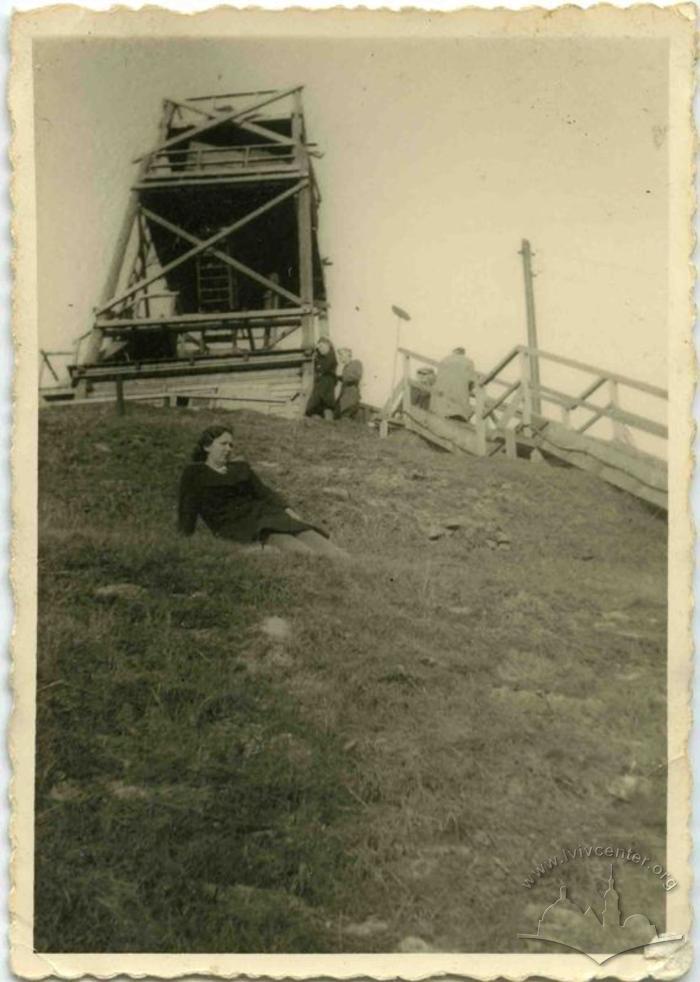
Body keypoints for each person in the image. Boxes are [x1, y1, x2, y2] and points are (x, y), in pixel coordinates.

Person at [178, 425, 348, 556]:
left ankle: (352, 565)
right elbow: (187, 508)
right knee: (305, 554)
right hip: (239, 525)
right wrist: (185, 539)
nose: (229, 449)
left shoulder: (240, 468)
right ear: (207, 446)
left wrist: (287, 509)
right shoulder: (195, 473)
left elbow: (263, 492)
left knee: (330, 550)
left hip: (267, 514)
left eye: (231, 445)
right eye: (223, 444)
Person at [429, 346, 477, 421]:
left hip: (442, 393)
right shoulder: (469, 362)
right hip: (459, 394)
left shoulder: (445, 359)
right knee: (459, 406)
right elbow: (472, 381)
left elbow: (438, 376)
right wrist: (469, 390)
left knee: (442, 403)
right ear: (463, 353)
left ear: (454, 352)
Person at [304, 337, 338, 419]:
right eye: (319, 348)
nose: (320, 349)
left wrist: (316, 355)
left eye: (322, 347)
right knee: (318, 405)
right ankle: (319, 423)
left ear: (328, 346)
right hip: (322, 382)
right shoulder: (323, 356)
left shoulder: (330, 356)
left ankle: (327, 423)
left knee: (325, 404)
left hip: (327, 382)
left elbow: (324, 367)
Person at [334, 348, 363, 420]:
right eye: (339, 355)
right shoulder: (345, 367)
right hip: (344, 398)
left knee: (345, 418)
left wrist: (342, 377)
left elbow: (356, 376)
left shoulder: (356, 363)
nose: (340, 357)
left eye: (341, 355)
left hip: (351, 398)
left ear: (348, 355)